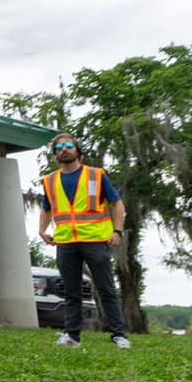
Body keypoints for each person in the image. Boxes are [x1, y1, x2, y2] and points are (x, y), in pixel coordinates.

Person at [38, 133, 130, 349]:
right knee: (71, 292)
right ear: (55, 155)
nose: (64, 149)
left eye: (69, 145)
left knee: (106, 289)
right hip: (66, 242)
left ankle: (119, 335)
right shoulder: (49, 181)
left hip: (96, 240)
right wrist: (42, 230)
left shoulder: (95, 175)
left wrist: (117, 231)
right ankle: (72, 336)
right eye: (59, 148)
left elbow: (117, 204)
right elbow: (46, 208)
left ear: (77, 150)